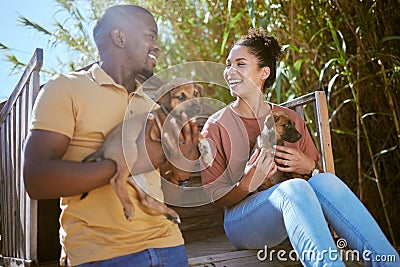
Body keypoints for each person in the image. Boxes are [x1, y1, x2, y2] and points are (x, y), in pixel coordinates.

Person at [201, 28, 399, 266]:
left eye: (240, 64)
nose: (230, 71)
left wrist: (311, 166)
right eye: (228, 64)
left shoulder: (287, 119)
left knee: (324, 181)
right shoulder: (216, 126)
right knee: (294, 189)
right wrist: (247, 182)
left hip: (298, 215)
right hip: (243, 222)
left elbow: (322, 187)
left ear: (264, 72)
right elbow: (216, 198)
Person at [23, 5, 199, 267]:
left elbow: (168, 175)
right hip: (101, 254)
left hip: (168, 244)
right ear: (120, 37)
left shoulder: (154, 103)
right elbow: (36, 179)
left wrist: (184, 159)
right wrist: (124, 165)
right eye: (150, 36)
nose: (158, 46)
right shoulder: (65, 88)